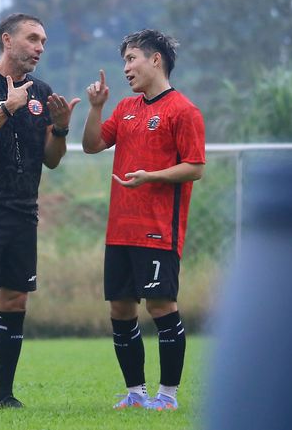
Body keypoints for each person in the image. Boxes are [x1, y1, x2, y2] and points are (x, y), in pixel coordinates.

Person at [0, 13, 80, 410]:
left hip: (23, 208)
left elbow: (52, 160)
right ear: (7, 40)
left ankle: (4, 395)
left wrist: (60, 128)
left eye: (43, 41)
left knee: (16, 302)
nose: (40, 47)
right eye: (32, 39)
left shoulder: (42, 91)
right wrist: (7, 107)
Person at [81, 29, 206, 411]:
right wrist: (97, 107)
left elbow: (195, 167)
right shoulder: (125, 108)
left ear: (156, 60)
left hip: (157, 230)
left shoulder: (183, 110)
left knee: (160, 307)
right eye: (124, 61)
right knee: (120, 308)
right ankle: (135, 393)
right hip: (120, 229)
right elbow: (91, 146)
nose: (126, 68)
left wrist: (152, 176)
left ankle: (167, 396)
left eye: (132, 58)